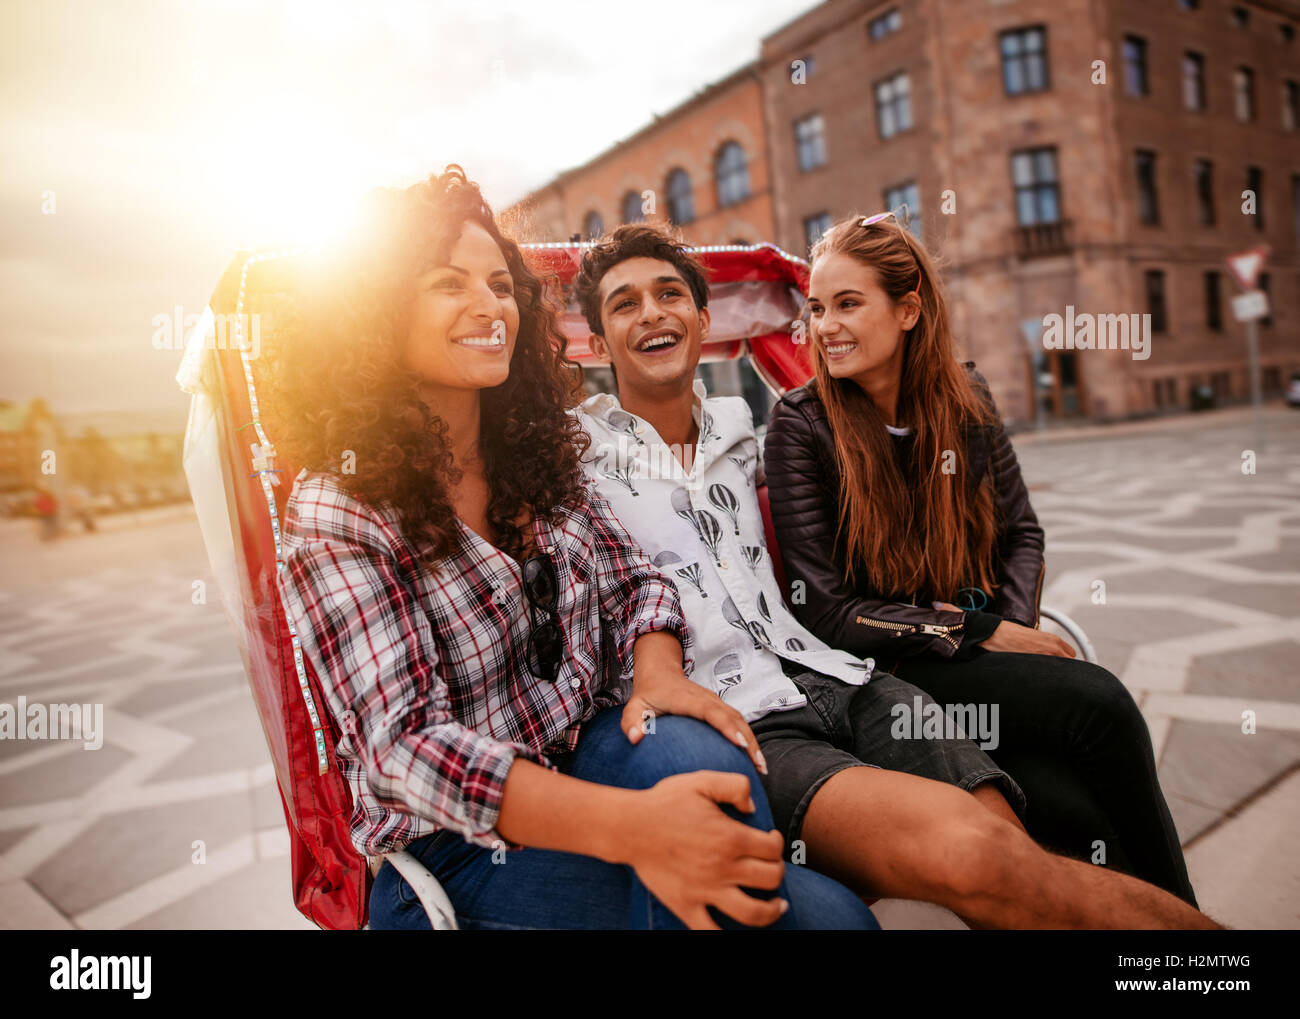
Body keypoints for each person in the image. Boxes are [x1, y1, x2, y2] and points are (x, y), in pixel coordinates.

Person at [267, 167, 875, 931]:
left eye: (498, 284)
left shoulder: (536, 454)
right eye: (447, 284)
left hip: (583, 755)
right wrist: (635, 828)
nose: (488, 305)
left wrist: (658, 673)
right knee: (823, 924)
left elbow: (636, 580)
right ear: (375, 315)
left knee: (719, 776)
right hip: (453, 852)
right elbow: (403, 751)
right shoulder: (340, 508)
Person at [573, 222, 1217, 928]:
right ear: (597, 345)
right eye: (624, 303)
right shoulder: (577, 459)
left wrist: (1001, 619)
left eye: (669, 293)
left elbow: (1008, 525)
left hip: (840, 677)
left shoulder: (739, 432)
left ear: (703, 320)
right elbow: (824, 597)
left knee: (1019, 844)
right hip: (752, 717)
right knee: (981, 854)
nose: (653, 312)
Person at [763, 210, 1197, 905]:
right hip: (888, 669)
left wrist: (1012, 631)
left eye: (848, 303)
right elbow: (825, 612)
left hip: (978, 656)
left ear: (908, 311)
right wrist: (984, 633)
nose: (825, 325)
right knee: (1101, 704)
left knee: (1075, 813)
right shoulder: (802, 423)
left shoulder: (968, 395)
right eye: (817, 307)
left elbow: (1021, 532)